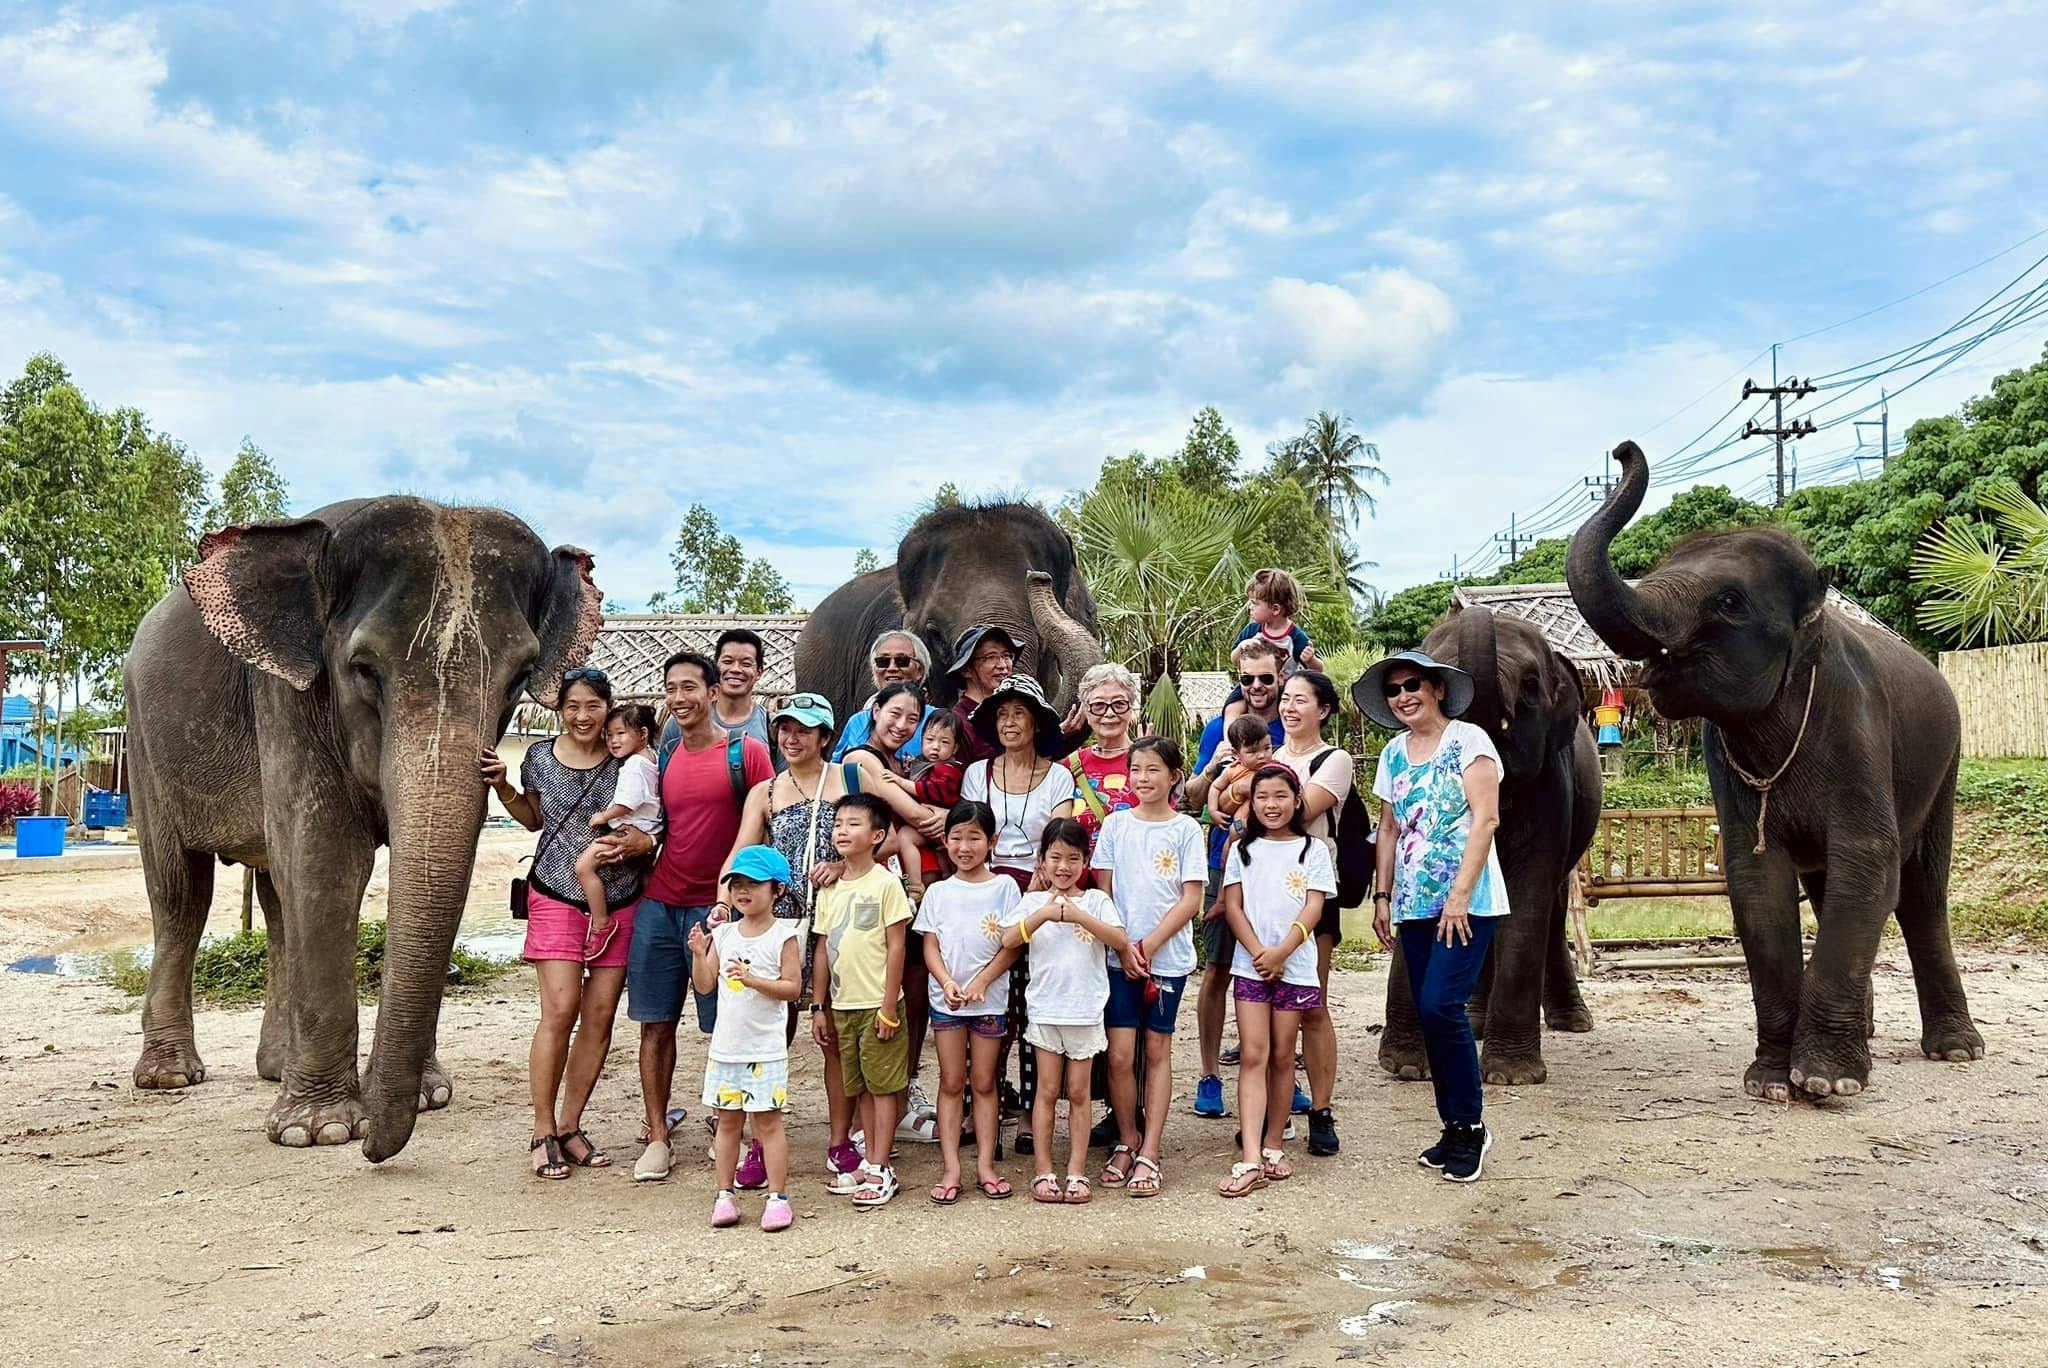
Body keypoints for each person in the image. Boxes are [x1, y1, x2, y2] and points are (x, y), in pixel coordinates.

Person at [596, 652, 774, 1183]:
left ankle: (737, 1131)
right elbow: (662, 825)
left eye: (690, 687)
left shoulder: (749, 754)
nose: (680, 697)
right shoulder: (665, 757)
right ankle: (657, 1134)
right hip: (660, 902)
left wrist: (741, 906)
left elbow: (765, 828)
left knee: (728, 1025)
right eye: (671, 688)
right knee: (655, 1023)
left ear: (714, 692)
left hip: (719, 911)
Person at [483, 666, 640, 1180]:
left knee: (599, 1017)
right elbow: (533, 819)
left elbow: (653, 818)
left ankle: (571, 1127)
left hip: (621, 900)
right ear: (559, 710)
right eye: (572, 706)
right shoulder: (540, 758)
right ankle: (542, 1127)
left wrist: (643, 841)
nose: (582, 716)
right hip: (553, 891)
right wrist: (505, 787)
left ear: (607, 707)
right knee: (560, 1009)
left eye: (593, 705)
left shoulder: (630, 760)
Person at [1359, 649, 1508, 1184]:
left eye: (1413, 685)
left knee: (1442, 1006)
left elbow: (1486, 818)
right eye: (1395, 689)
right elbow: (1391, 830)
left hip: (1465, 903)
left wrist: (1460, 894)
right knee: (1428, 1015)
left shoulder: (1469, 741)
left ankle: (1471, 1126)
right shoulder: (1394, 753)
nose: (1403, 696)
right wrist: (1382, 896)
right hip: (1413, 905)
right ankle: (1452, 1127)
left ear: (1438, 689)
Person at [720, 691, 857, 1193]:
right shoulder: (766, 791)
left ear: (825, 734)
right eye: (785, 728)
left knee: (835, 1035)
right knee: (769, 1036)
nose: (792, 737)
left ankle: (841, 1139)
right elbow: (741, 854)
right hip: (783, 926)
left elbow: (877, 835)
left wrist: (843, 864)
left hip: (839, 921)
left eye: (804, 728)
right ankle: (760, 1143)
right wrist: (723, 905)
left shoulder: (848, 778)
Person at [961, 674, 1076, 1151]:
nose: (1010, 723)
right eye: (1002, 714)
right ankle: (976, 1105)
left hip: (1036, 892)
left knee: (1031, 1006)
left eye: (1019, 714)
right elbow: (967, 834)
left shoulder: (1059, 776)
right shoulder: (976, 775)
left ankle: (1030, 1113)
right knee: (987, 1005)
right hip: (987, 894)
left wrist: (1037, 885)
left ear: (1036, 723)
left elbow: (1056, 838)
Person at [1090, 737, 1205, 1198]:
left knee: (1157, 1052)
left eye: (1154, 769)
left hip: (1167, 960)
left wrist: (1150, 944)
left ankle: (1151, 1150)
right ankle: (1127, 1137)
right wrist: (1122, 947)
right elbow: (1103, 894)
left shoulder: (1186, 830)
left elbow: (1191, 898)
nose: (1143, 778)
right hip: (1119, 958)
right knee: (1119, 1055)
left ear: (1174, 776)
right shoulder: (1116, 826)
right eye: (1136, 769)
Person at [1217, 766, 1335, 1197]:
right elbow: (1233, 906)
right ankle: (1249, 1155)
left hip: (1296, 967)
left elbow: (1313, 908)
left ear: (1297, 799)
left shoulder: (1313, 850)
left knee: (1284, 1056)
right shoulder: (1242, 852)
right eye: (1262, 796)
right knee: (1253, 1055)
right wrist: (1258, 953)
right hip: (1251, 967)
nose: (1271, 804)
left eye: (1280, 796)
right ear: (1251, 803)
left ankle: (1273, 1144)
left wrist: (1283, 951)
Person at [840, 682, 950, 1140]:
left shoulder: (901, 764)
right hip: (877, 894)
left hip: (902, 893)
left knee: (914, 995)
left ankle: (898, 1102)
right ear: (875, 710)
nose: (902, 725)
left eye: (912, 719)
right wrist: (957, 821)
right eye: (895, 714)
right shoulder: (862, 760)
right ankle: (871, 1117)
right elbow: (919, 817)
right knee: (881, 998)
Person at [1183, 637, 1287, 1118]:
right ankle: (1209, 1073)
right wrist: (1217, 783)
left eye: (1266, 677)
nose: (1258, 687)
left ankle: (1274, 1073)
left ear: (1280, 674)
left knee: (1276, 970)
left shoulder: (1293, 724)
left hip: (1281, 866)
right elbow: (1196, 790)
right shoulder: (1218, 731)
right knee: (1219, 969)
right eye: (1248, 679)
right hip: (1225, 861)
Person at [1000, 818, 1128, 1205]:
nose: (1063, 866)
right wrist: (1043, 913)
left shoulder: (1096, 901)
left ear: (1086, 861)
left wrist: (1078, 915)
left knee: (1078, 1093)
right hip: (1044, 1011)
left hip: (1086, 1013)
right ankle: (1043, 1170)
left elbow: (1119, 939)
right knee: (1046, 1090)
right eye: (1054, 857)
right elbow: (1008, 938)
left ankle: (1075, 1171)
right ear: (1041, 861)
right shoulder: (1032, 902)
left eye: (1073, 858)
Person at [689, 845, 803, 1231]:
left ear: (778, 890)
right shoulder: (724, 935)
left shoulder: (784, 936)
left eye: (754, 883)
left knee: (768, 1124)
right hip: (727, 1047)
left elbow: (792, 989)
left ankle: (778, 1196)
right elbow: (706, 985)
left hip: (766, 1049)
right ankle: (724, 1194)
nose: (743, 891)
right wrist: (698, 952)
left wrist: (753, 979)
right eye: (737, 883)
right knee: (727, 1123)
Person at [810, 792, 916, 1208]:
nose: (842, 831)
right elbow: (822, 948)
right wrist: (820, 1006)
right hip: (842, 1005)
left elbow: (896, 948)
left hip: (877, 1003)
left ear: (877, 835)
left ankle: (880, 1166)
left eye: (854, 824)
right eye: (838, 824)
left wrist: (889, 1006)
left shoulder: (886, 884)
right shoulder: (831, 888)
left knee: (883, 1088)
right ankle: (870, 1160)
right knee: (860, 1088)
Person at [913, 801, 1022, 1203]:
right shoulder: (938, 892)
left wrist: (982, 981)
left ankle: (986, 1165)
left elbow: (1012, 945)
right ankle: (951, 1168)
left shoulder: (1006, 887)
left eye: (974, 837)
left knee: (985, 1083)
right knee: (952, 1082)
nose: (964, 846)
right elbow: (930, 945)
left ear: (992, 841)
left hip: (989, 1001)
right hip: (948, 1003)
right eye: (956, 837)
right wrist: (946, 982)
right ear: (945, 841)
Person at [1268, 669, 1352, 1158]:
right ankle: (1276, 1112)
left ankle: (1321, 1109)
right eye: (1285, 699)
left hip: (1313, 893)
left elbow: (1297, 811)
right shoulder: (1274, 757)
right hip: (1264, 896)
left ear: (1322, 709)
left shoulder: (1334, 760)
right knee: (1268, 1005)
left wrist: (1250, 795)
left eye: (1301, 700)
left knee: (1311, 1005)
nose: (1289, 707)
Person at [572, 703, 660, 963]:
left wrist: (603, 816)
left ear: (642, 734)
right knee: (647, 881)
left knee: (584, 866)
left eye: (621, 733)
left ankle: (601, 923)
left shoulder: (634, 765)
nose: (613, 740)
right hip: (649, 831)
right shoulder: (652, 759)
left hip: (627, 832)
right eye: (609, 735)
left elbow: (628, 802)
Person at [1218, 568, 1325, 730]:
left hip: (1285, 690)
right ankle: (1230, 741)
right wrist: (1241, 648)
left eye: (1255, 604)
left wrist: (1310, 659)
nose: (1250, 608)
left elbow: (1318, 671)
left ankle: (1288, 746)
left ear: (1275, 609)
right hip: (1252, 685)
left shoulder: (1295, 637)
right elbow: (1233, 659)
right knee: (1232, 707)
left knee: (1290, 714)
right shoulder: (1252, 630)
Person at [1061, 662, 1142, 843]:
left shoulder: (1148, 762)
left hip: (1132, 869)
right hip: (1080, 870)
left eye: (1119, 704)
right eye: (1098, 705)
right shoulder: (1071, 765)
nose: (1109, 713)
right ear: (1085, 710)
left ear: (1131, 707)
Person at [834, 630, 938, 763]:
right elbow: (836, 771)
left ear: (920, 670)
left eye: (902, 661)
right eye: (883, 662)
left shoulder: (937, 721)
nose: (892, 668)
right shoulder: (857, 722)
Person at [707, 628, 785, 773]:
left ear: (759, 672)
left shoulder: (775, 728)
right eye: (728, 661)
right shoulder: (683, 724)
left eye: (746, 663)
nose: (736, 669)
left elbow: (783, 786)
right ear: (716, 667)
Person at [945, 624, 1023, 762]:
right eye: (991, 657)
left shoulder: (1017, 712)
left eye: (1007, 656)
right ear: (966, 670)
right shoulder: (958, 723)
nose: (1003, 665)